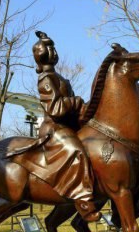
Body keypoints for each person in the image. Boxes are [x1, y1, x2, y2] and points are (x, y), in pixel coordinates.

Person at [32, 31, 101, 222]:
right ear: (42, 53)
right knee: (77, 152)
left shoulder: (60, 77)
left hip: (68, 126)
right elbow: (54, 108)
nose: (54, 51)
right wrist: (76, 102)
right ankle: (84, 203)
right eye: (50, 48)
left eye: (54, 47)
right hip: (54, 128)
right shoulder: (46, 78)